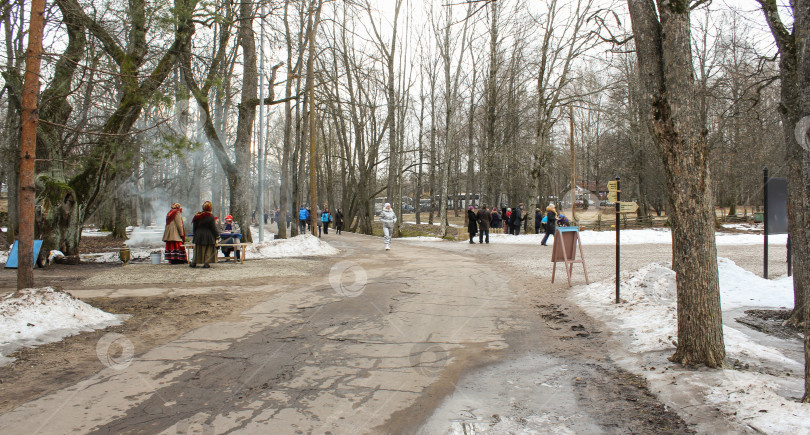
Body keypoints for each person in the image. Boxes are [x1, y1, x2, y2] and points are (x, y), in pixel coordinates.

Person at [190, 201, 219, 268]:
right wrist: (217, 235)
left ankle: (194, 262)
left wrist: (195, 234)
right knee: (208, 250)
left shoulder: (197, 216)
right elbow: (213, 228)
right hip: (208, 235)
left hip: (198, 235)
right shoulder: (211, 216)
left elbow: (194, 227)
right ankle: (206, 263)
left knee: (198, 250)